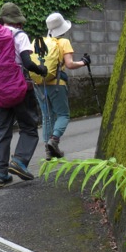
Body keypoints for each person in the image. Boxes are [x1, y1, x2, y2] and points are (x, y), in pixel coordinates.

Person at [0, 3, 48, 187]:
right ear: (17, 21)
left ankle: (0, 174)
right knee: (29, 127)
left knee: (3, 130)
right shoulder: (19, 35)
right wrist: (40, 69)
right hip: (17, 87)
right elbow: (27, 62)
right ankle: (20, 161)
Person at [37, 12, 90, 159]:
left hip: (40, 84)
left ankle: (49, 151)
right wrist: (84, 62)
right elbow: (69, 64)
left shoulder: (40, 43)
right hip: (57, 84)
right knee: (63, 114)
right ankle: (54, 141)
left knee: (47, 116)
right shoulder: (63, 42)